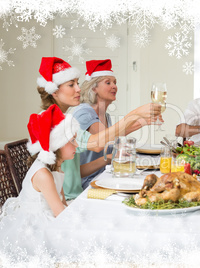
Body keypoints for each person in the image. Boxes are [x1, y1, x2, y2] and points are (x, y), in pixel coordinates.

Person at [35, 57, 161, 200]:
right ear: (54, 91)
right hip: (70, 200)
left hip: (74, 195)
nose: (78, 89)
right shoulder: (53, 121)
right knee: (129, 196)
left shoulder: (64, 119)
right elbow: (96, 144)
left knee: (136, 190)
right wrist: (135, 114)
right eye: (71, 85)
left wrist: (108, 158)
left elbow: (76, 172)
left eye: (77, 83)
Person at [0, 104, 78, 257]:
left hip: (51, 211)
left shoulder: (56, 166)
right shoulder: (43, 174)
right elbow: (60, 214)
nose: (77, 144)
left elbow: (62, 202)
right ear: (58, 144)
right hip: (34, 223)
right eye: (73, 140)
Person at [72, 59, 117, 188]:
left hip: (102, 177)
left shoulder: (106, 116)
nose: (114, 86)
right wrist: (137, 118)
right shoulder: (84, 112)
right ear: (93, 87)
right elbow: (103, 141)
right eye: (108, 82)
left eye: (115, 82)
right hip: (85, 182)